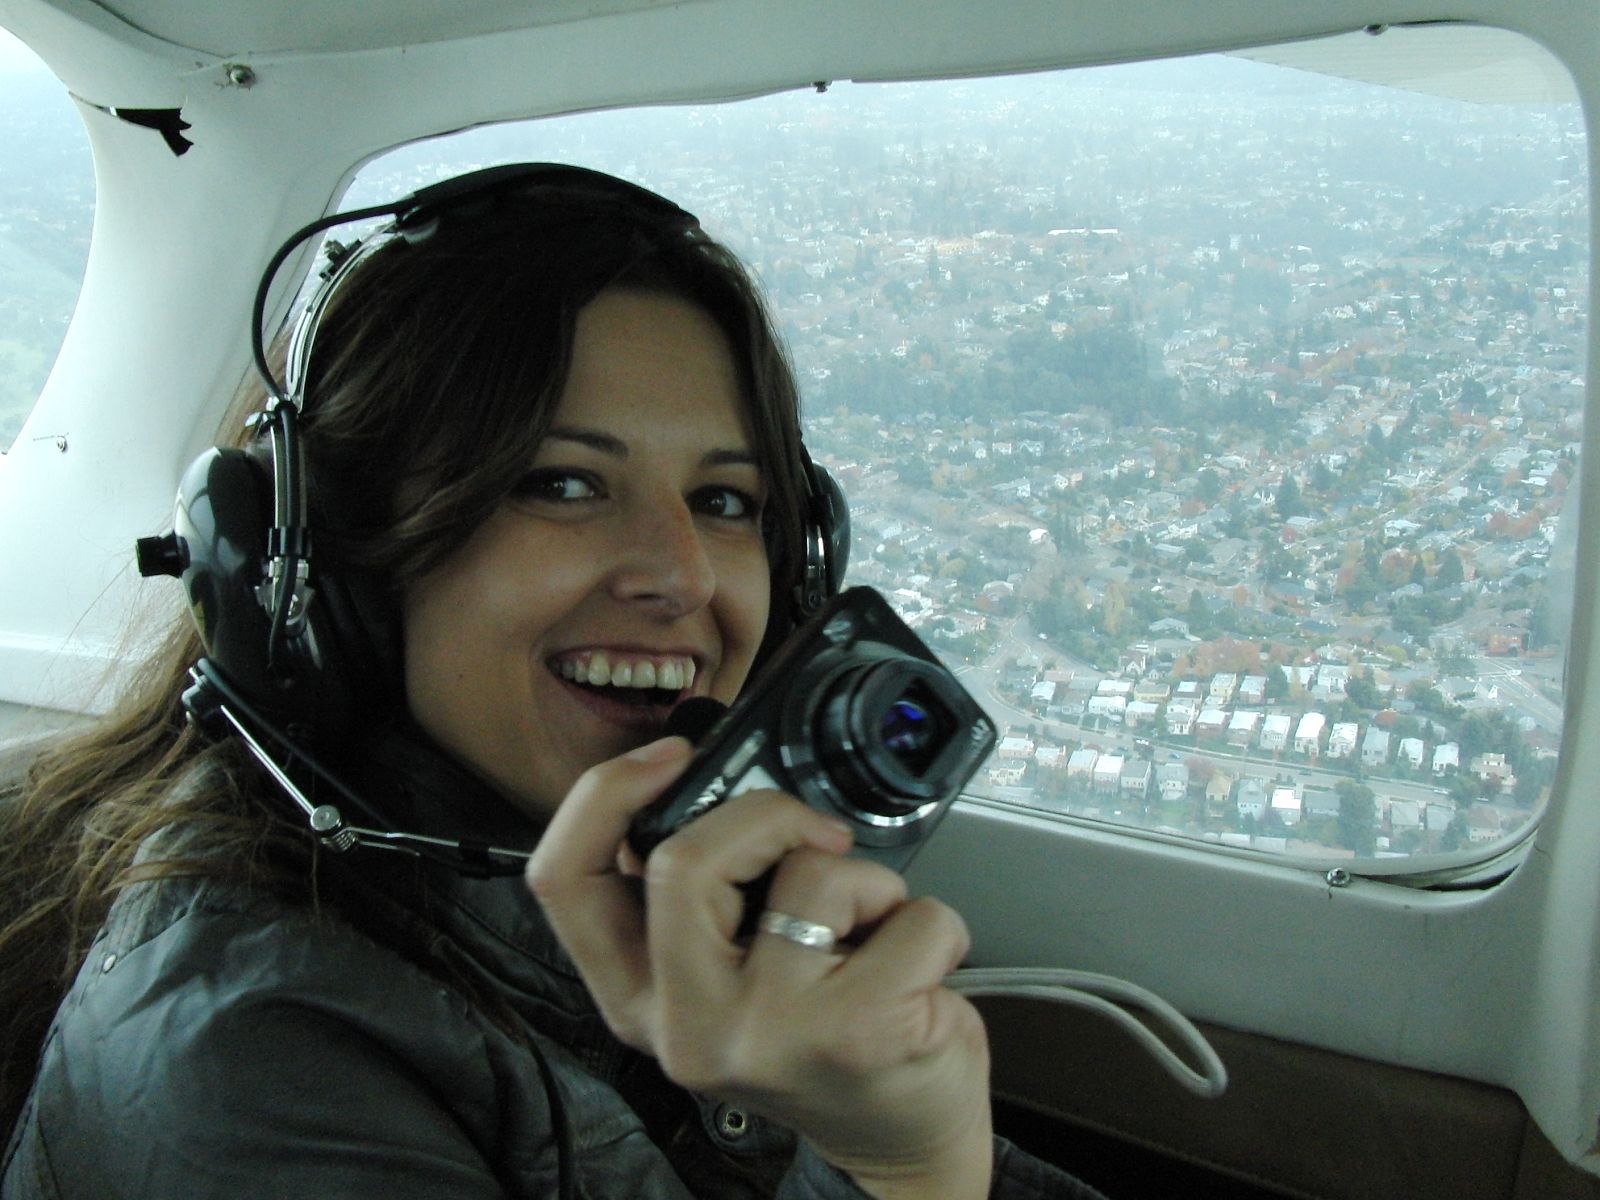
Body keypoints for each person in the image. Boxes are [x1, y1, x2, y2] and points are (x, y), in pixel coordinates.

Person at [0, 164, 1106, 1199]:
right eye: (562, 483)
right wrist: (901, 1172)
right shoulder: (243, 1057)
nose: (679, 576)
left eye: (725, 502)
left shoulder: (654, 887)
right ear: (319, 564)